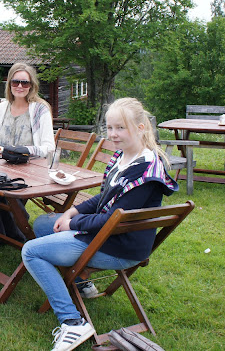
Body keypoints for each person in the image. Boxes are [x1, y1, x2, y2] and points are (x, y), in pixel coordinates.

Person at [21, 98, 178, 351]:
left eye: (121, 128)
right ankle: (82, 283)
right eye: (110, 128)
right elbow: (104, 197)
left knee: (31, 251)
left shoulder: (145, 171)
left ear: (140, 128)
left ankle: (72, 323)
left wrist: (73, 223)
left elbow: (110, 220)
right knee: (42, 224)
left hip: (117, 247)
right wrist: (71, 210)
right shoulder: (124, 157)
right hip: (107, 236)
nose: (113, 135)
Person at [0, 63, 55, 243]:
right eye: (15, 82)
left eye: (25, 83)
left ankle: (15, 234)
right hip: (2, 165)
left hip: (30, 168)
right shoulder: (3, 107)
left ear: (32, 85)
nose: (20, 86)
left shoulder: (40, 110)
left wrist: (25, 150)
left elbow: (49, 147)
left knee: (4, 193)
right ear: (9, 84)